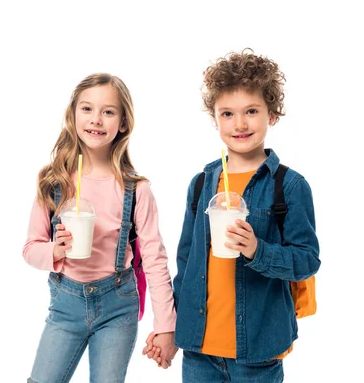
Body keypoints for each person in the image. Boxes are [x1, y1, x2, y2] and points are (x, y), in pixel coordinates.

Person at [144, 49, 320, 382]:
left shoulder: (291, 186)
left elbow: (307, 260)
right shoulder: (201, 184)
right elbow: (187, 265)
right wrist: (169, 330)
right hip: (199, 351)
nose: (239, 124)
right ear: (215, 118)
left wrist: (258, 250)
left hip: (258, 352)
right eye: (227, 113)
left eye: (251, 111)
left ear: (272, 114)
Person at [22, 73, 177, 383]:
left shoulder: (136, 189)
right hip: (65, 305)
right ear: (73, 115)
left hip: (117, 306)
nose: (96, 119)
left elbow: (155, 259)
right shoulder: (54, 182)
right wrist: (54, 250)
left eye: (108, 111)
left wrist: (166, 327)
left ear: (122, 122)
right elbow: (30, 248)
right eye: (87, 109)